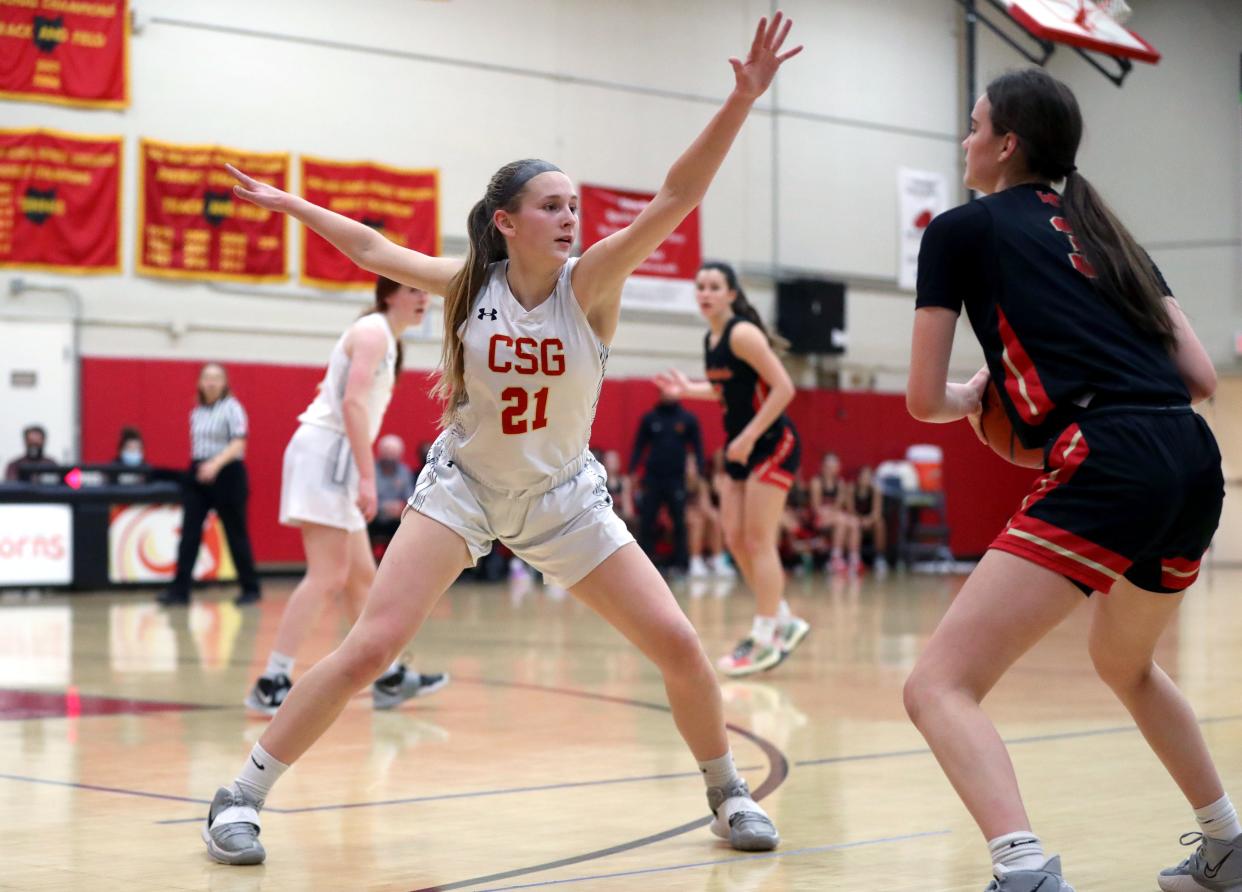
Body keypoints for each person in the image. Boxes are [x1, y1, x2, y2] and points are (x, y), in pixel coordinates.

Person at [201, 12, 801, 867]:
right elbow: (372, 245)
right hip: (465, 488)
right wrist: (288, 202)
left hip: (563, 497)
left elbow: (677, 197)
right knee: (372, 644)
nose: (570, 218)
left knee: (677, 643)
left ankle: (727, 791)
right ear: (506, 221)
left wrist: (740, 101)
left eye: (575, 207)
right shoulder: (464, 285)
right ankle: (240, 796)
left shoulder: (590, 281)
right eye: (551, 206)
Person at [902, 68, 1233, 892]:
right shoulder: (1111, 234)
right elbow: (1200, 377)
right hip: (1190, 457)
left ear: (1006, 144)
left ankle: (1024, 871)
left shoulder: (960, 230)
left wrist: (973, 401)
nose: (966, 140)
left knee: (938, 685)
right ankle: (1228, 844)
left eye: (975, 127)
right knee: (1127, 666)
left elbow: (920, 398)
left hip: (1108, 457)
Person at [244, 278, 448, 715]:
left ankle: (388, 676)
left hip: (334, 456)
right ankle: (271, 680)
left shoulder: (382, 337)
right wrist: (367, 476)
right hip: (329, 454)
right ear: (388, 294)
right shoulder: (373, 333)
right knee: (327, 575)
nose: (423, 298)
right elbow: (353, 404)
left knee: (362, 580)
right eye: (413, 290)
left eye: (425, 291)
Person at [656, 260, 810, 678]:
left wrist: (746, 438)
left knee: (759, 540)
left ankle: (765, 637)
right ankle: (782, 619)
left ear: (731, 293)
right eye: (700, 285)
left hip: (772, 444)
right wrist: (690, 390)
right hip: (741, 449)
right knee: (736, 539)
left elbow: (784, 389)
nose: (705, 292)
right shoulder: (713, 338)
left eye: (714, 286)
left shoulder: (743, 333)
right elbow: (730, 389)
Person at [158, 363, 262, 607]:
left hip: (227, 473)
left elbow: (239, 443)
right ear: (200, 383)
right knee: (189, 533)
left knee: (235, 534)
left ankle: (250, 587)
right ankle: (179, 590)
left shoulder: (232, 408)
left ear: (225, 383)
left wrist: (215, 465)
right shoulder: (196, 412)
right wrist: (201, 468)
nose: (211, 382)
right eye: (207, 378)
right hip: (199, 472)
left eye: (217, 378)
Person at [629, 389, 704, 574]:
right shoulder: (650, 419)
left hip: (676, 479)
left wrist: (698, 470)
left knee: (679, 521)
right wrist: (631, 470)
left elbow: (698, 447)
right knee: (648, 520)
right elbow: (639, 446)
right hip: (653, 478)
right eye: (665, 391)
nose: (669, 394)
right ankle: (645, 564)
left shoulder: (688, 419)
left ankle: (681, 564)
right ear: (660, 393)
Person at [685, 452, 732, 578]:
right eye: (689, 464)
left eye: (694, 464)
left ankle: (717, 559)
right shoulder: (676, 482)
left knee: (715, 518)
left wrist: (716, 516)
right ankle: (695, 561)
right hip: (682, 516)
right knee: (697, 521)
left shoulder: (701, 483)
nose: (692, 467)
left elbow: (705, 506)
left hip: (699, 514)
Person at [840, 465, 888, 576]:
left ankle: (879, 557)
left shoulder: (875, 490)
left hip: (870, 521)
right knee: (852, 523)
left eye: (868, 476)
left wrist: (869, 520)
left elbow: (877, 511)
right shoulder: (851, 489)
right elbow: (850, 509)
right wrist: (860, 519)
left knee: (880, 523)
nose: (865, 479)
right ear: (859, 477)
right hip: (855, 519)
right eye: (864, 476)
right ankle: (852, 558)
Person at [371, 433, 416, 543]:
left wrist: (399, 507)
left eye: (393, 453)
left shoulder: (405, 472)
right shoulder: (370, 471)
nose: (389, 456)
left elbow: (410, 498)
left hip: (396, 518)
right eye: (387, 451)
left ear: (400, 455)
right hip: (373, 517)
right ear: (380, 452)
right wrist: (382, 507)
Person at [809, 452, 849, 573]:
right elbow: (815, 507)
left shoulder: (840, 483)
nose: (831, 469)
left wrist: (832, 512)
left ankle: (854, 559)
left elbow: (838, 506)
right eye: (828, 466)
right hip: (818, 518)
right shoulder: (816, 482)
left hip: (834, 515)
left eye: (834, 465)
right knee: (842, 520)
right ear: (823, 466)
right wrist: (829, 513)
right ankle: (835, 558)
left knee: (854, 523)